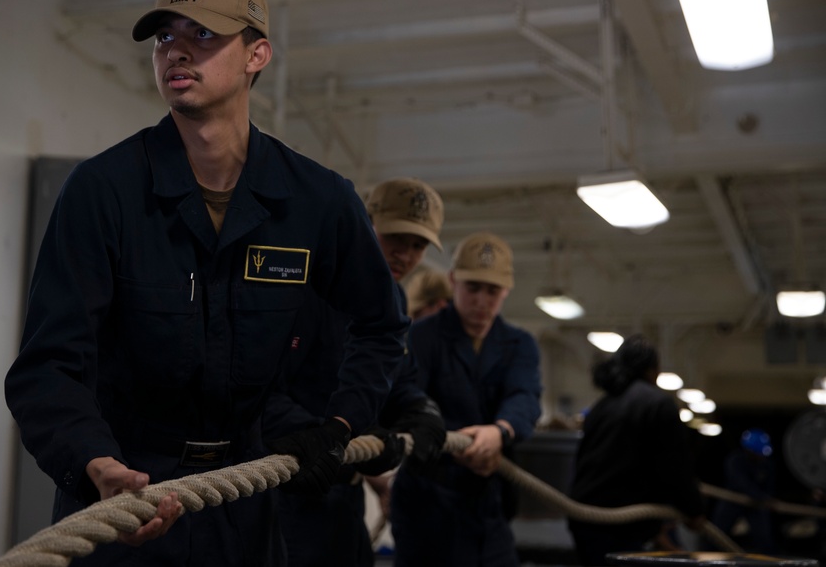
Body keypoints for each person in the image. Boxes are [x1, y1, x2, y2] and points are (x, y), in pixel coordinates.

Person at [3, 0, 409, 567]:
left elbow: (381, 324)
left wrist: (342, 422)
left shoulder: (316, 201)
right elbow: (46, 367)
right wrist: (95, 465)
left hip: (246, 506)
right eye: (166, 36)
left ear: (257, 55)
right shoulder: (103, 192)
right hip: (124, 502)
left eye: (204, 35)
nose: (177, 53)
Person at [262, 177, 448, 567]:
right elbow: (263, 388)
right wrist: (332, 433)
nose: (406, 255)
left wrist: (421, 410)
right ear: (367, 224)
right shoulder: (311, 285)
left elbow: (395, 378)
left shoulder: (392, 298)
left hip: (345, 495)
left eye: (418, 246)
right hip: (292, 490)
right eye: (396, 238)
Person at [389, 232, 543, 567]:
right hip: (426, 503)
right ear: (453, 280)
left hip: (488, 504)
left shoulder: (520, 345)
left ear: (506, 291)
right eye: (473, 288)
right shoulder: (421, 337)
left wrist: (499, 431)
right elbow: (407, 399)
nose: (481, 301)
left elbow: (525, 397)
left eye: (492, 291)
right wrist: (460, 442)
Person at [567, 335, 706, 566]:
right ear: (653, 369)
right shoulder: (657, 403)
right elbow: (674, 464)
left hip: (585, 518)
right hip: (621, 524)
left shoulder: (602, 405)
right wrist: (694, 510)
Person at [710, 428, 778, 554]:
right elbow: (741, 483)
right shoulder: (735, 460)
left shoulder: (767, 465)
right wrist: (761, 497)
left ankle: (768, 560)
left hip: (756, 503)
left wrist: (767, 498)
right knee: (718, 532)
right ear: (748, 450)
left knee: (764, 537)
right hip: (733, 499)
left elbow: (769, 486)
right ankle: (710, 556)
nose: (760, 456)